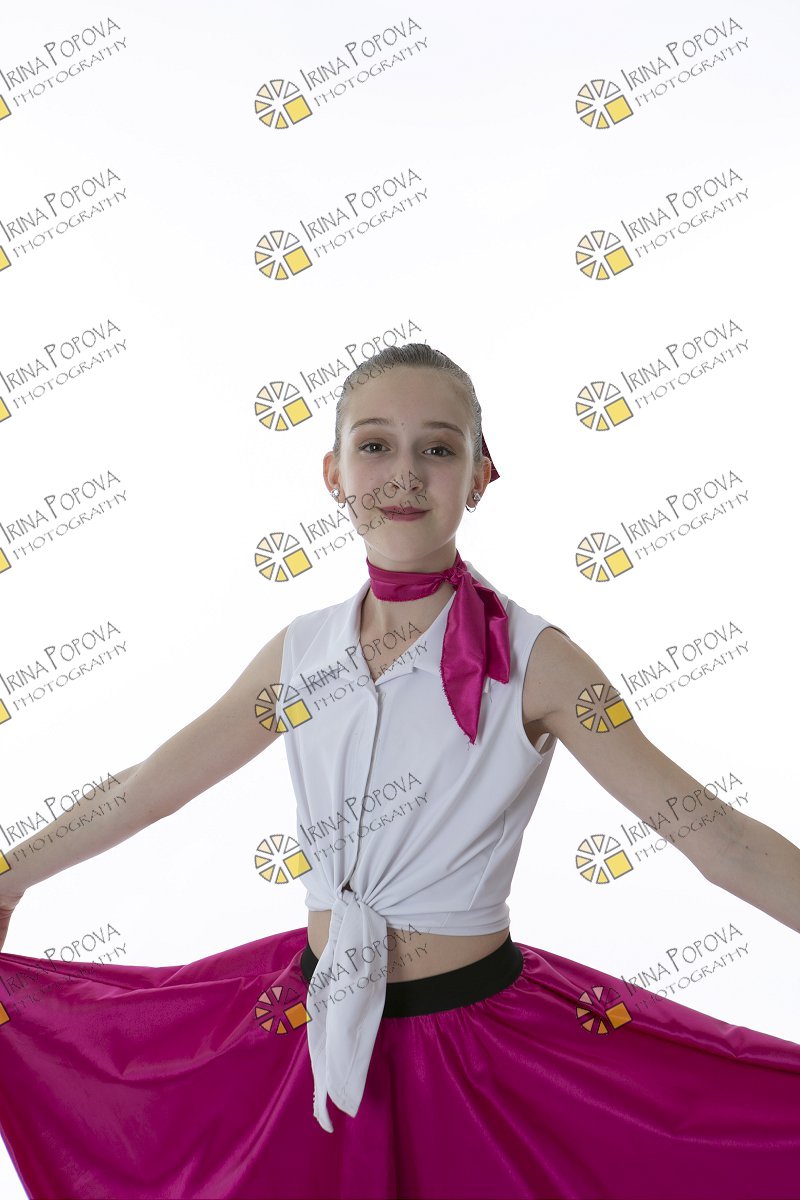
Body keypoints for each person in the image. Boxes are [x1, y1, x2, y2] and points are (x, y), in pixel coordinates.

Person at [0, 342, 798, 1200]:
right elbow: (150, 787)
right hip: (303, 1034)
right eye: (375, 445)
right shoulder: (301, 653)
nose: (406, 473)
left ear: (480, 477)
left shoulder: (540, 663)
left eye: (440, 448)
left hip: (480, 1053)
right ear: (334, 474)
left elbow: (714, 837)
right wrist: (10, 876)